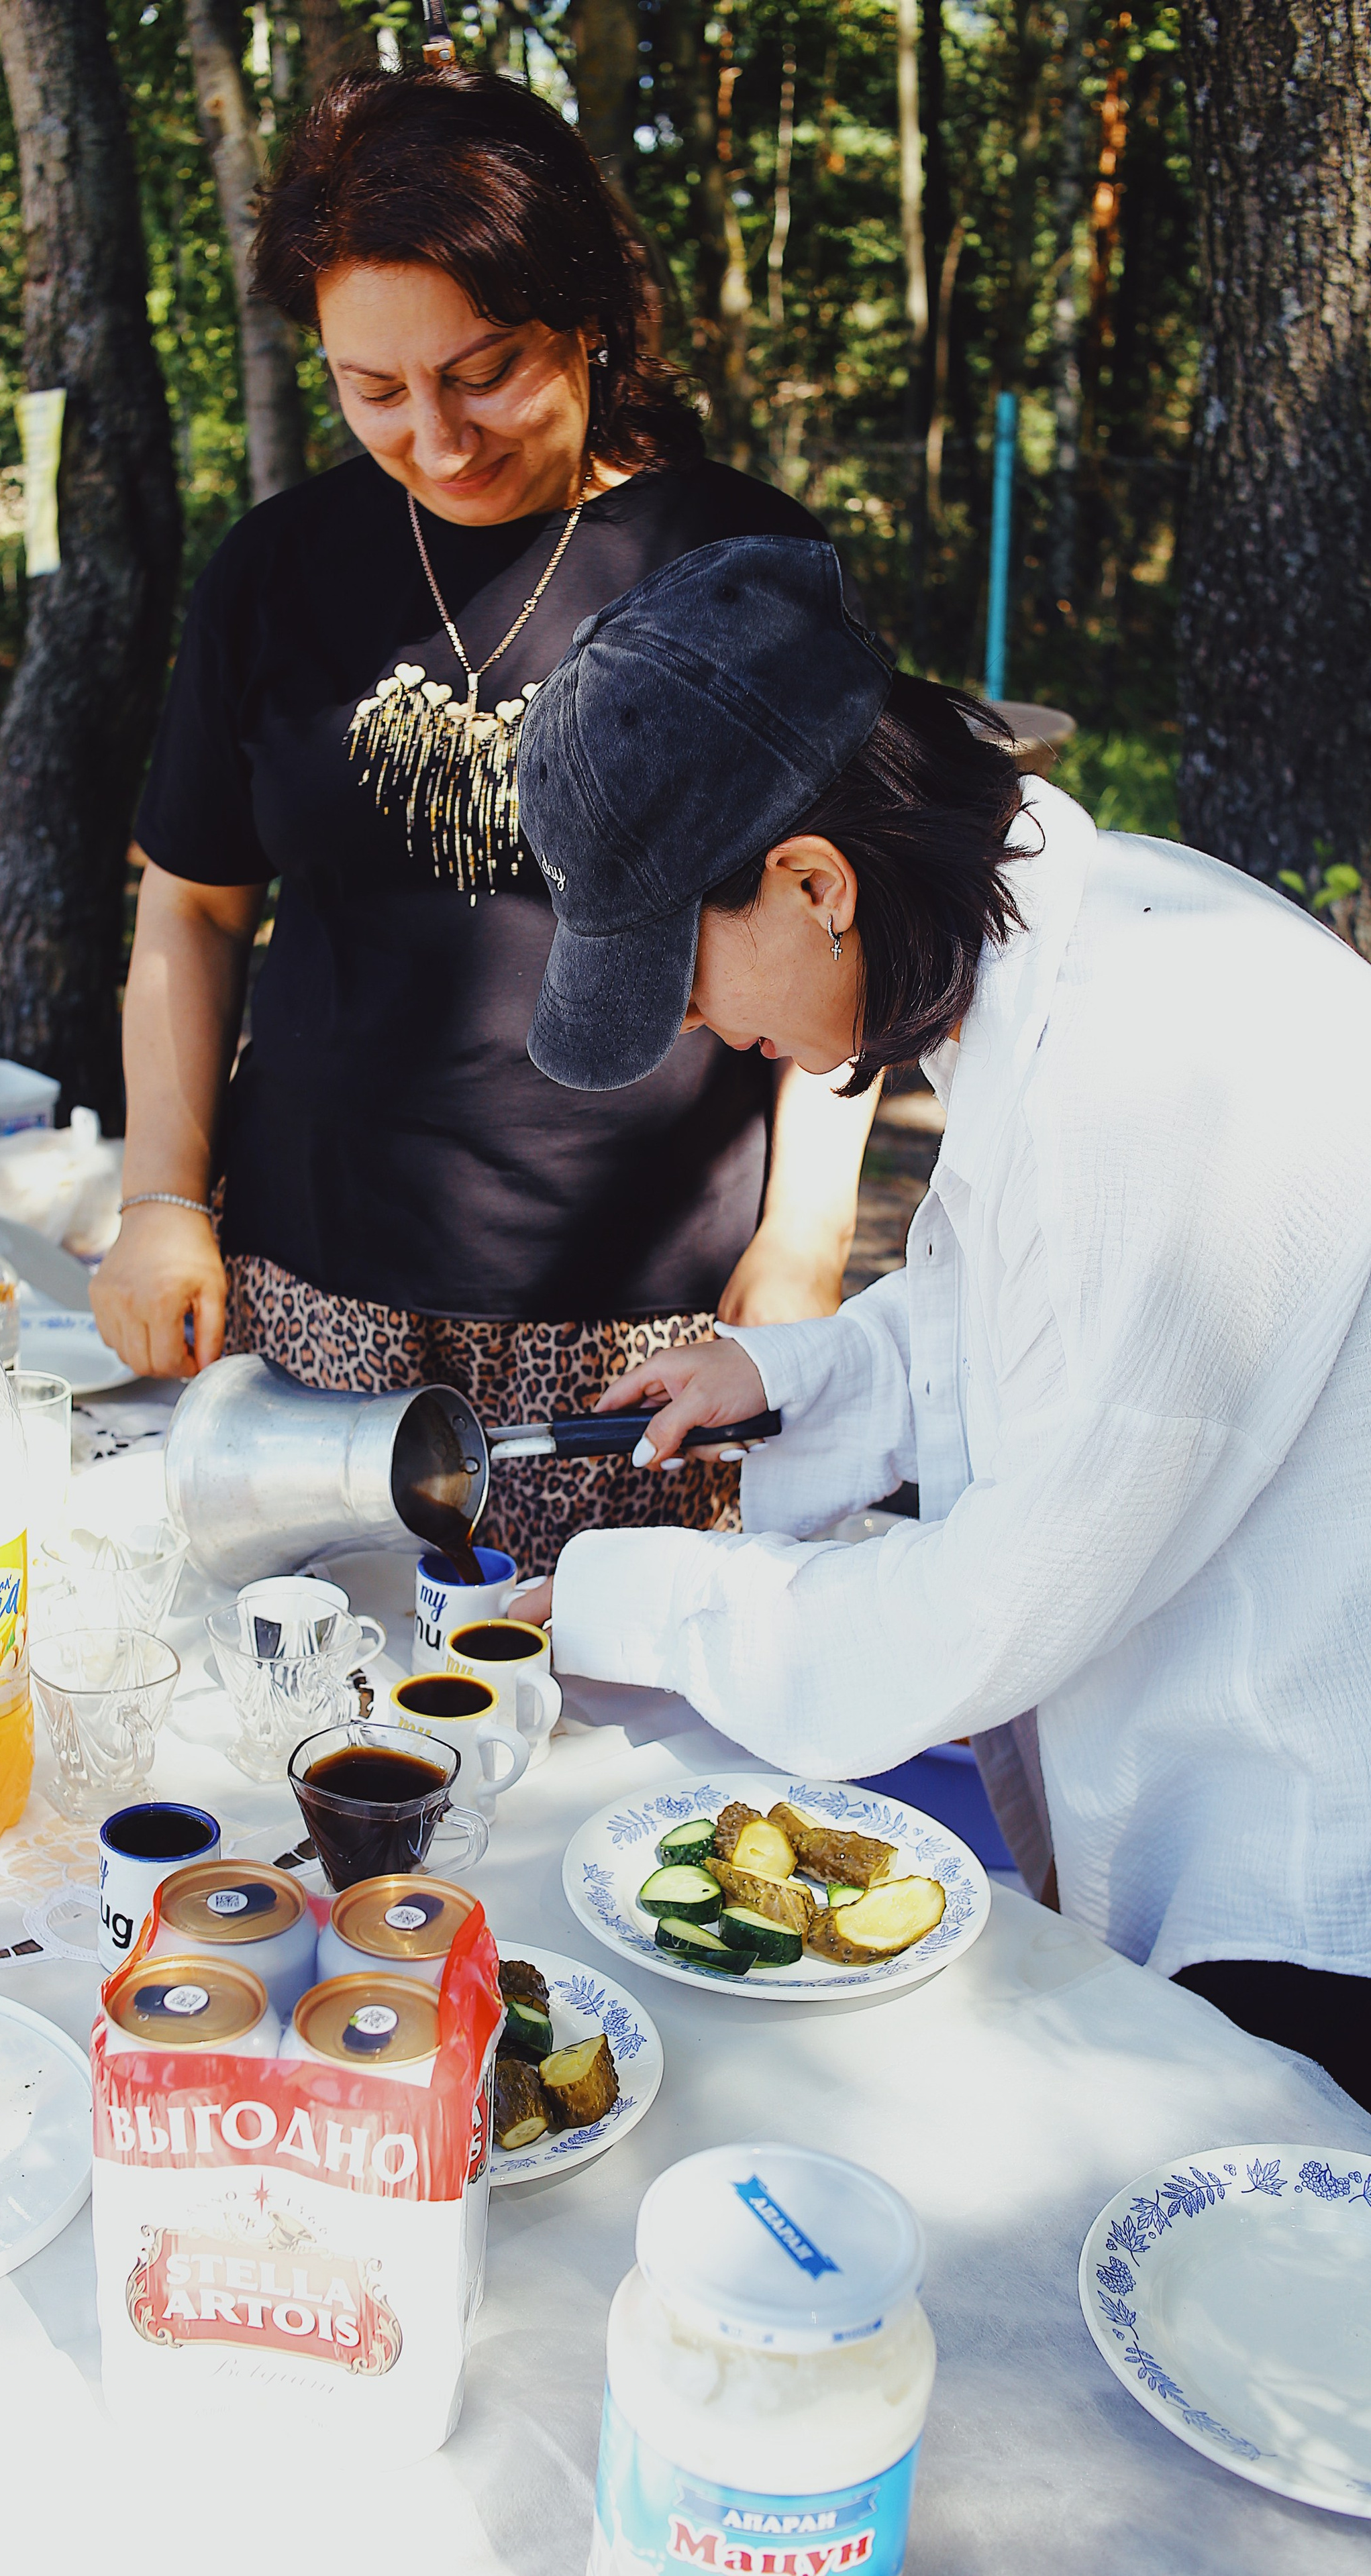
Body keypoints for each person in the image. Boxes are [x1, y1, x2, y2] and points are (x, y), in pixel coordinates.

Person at [510, 534, 1371, 2110]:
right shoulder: (1055, 959)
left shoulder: (1163, 1060)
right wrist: (784, 1365)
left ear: (813, 880)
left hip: (1306, 1874)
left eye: (680, 978)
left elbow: (1005, 1585)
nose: (694, 1026)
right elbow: (1015, 1314)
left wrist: (634, 1600)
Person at [90, 64, 884, 1575]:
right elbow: (190, 906)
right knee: (299, 1723)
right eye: (372, 390)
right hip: (307, 1285)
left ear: (587, 313)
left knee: (589, 1750)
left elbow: (841, 925)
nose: (438, 439)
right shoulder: (273, 573)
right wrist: (158, 1202)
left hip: (637, 1313)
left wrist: (800, 1248)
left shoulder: (741, 562)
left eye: (484, 368)